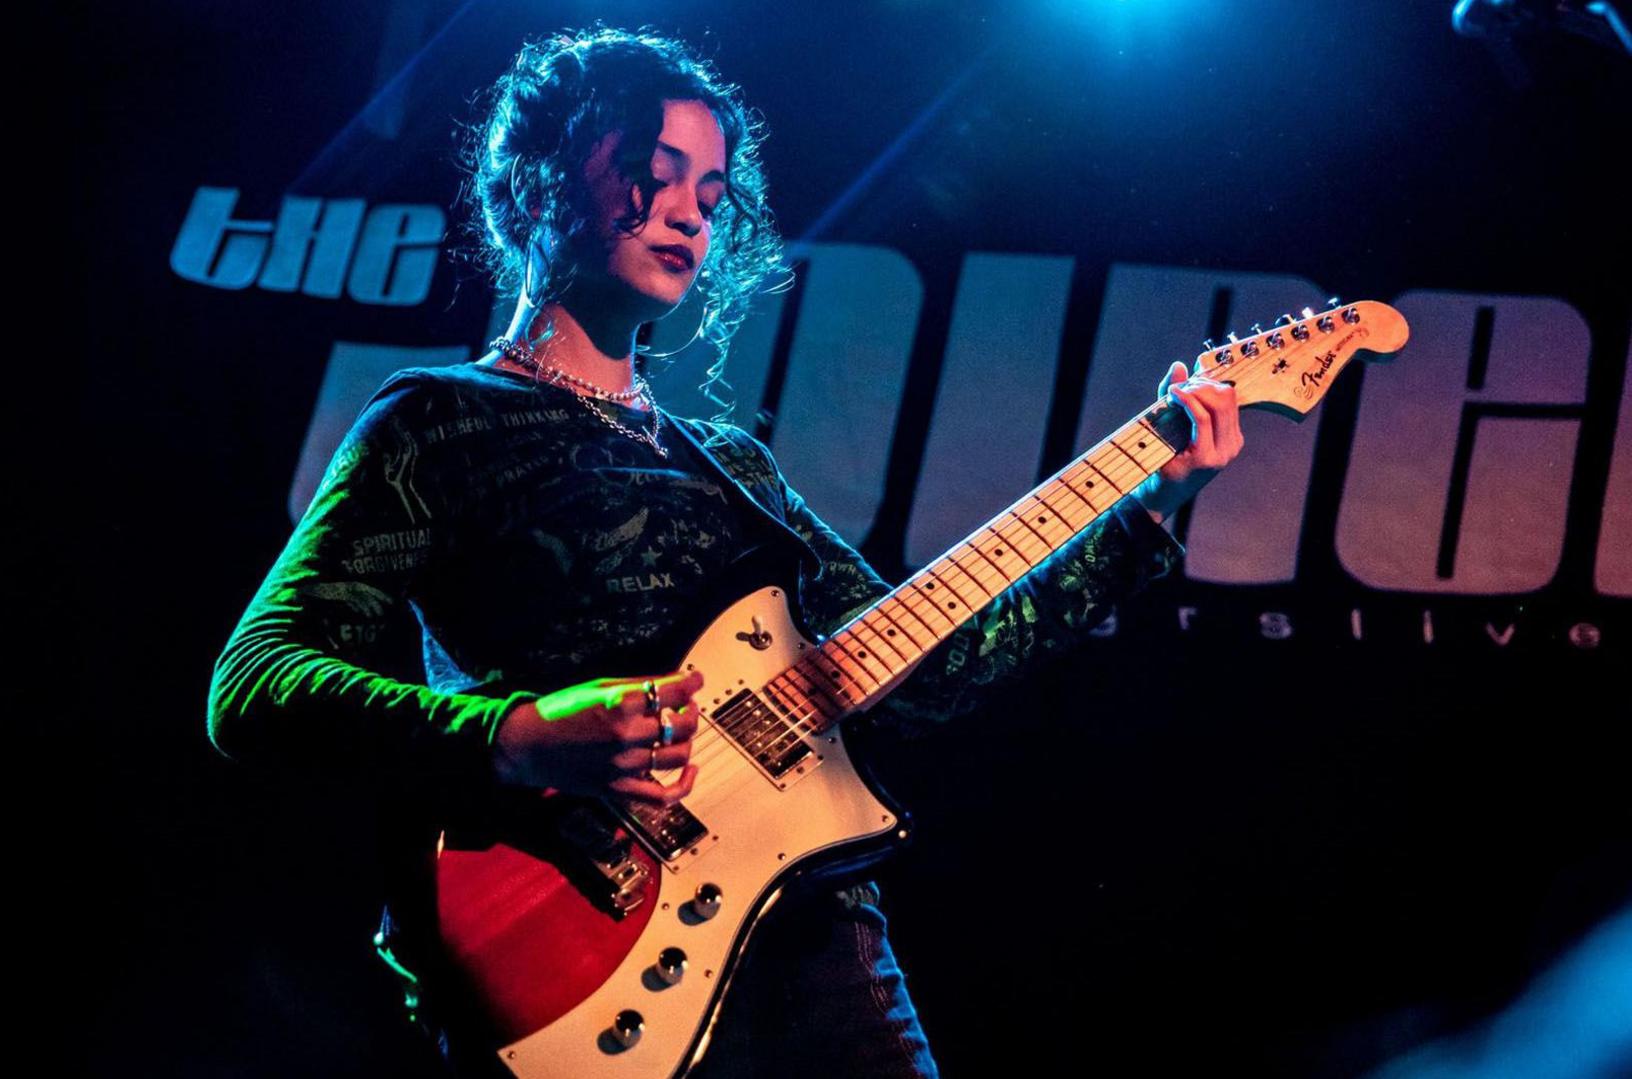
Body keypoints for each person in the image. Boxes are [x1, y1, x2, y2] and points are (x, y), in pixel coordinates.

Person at [207, 26, 1244, 1077]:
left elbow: (931, 674)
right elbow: (256, 682)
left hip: (820, 942)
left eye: (709, 194)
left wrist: (1152, 509)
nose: (688, 211)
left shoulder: (734, 466)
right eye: (655, 174)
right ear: (534, 187)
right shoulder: (436, 419)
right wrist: (514, 734)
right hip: (577, 937)